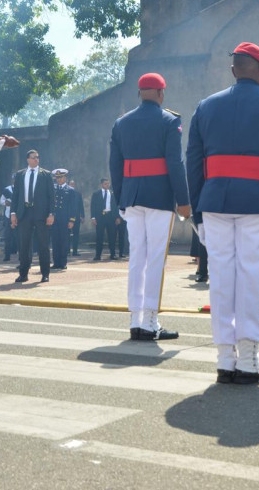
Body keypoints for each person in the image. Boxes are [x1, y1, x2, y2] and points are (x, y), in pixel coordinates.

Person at [186, 42, 259, 384]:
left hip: (215, 203)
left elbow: (192, 163)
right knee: (250, 278)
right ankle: (248, 361)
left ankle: (223, 359)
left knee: (220, 279)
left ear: (234, 70)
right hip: (257, 203)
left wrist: (198, 214)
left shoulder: (205, 106)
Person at [109, 72, 191, 341]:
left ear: (139, 92)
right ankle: (150, 321)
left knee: (137, 258)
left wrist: (121, 198)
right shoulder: (169, 121)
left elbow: (115, 166)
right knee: (155, 258)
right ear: (160, 93)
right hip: (159, 197)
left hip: (131, 197)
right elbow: (175, 163)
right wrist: (184, 200)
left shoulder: (121, 123)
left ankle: (135, 320)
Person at [12, 150, 54, 283]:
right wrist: (13, 213)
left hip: (41, 214)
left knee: (43, 245)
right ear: (27, 159)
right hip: (24, 213)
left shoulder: (46, 174)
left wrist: (51, 214)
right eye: (34, 157)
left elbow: (51, 196)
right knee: (24, 245)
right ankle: (23, 274)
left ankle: (45, 273)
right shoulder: (20, 174)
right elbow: (16, 196)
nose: (37, 159)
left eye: (38, 157)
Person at [50, 168, 75, 270]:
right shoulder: (53, 189)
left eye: (61, 177)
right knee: (55, 241)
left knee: (64, 241)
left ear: (65, 178)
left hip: (65, 219)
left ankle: (63, 262)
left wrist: (72, 220)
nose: (59, 179)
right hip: (54, 219)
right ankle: (56, 262)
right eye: (57, 177)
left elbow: (73, 207)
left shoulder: (70, 190)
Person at [91, 178, 118, 260]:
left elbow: (116, 206)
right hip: (100, 217)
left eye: (108, 183)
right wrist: (93, 217)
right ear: (102, 184)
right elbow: (93, 206)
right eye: (105, 183)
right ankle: (98, 255)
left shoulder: (113, 194)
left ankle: (113, 254)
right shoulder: (96, 194)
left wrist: (117, 217)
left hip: (110, 217)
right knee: (99, 236)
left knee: (112, 236)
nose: (107, 185)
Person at [0, 178, 17, 261]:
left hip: (20, 215)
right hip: (8, 215)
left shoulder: (23, 188)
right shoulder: (7, 189)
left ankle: (22, 257)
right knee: (8, 236)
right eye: (14, 179)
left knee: (20, 237)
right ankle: (7, 256)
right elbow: (1, 201)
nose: (15, 181)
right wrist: (5, 203)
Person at [68, 179, 85, 255]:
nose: (72, 185)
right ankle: (67, 251)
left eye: (73, 184)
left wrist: (82, 216)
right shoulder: (66, 193)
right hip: (67, 217)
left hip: (77, 217)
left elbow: (81, 206)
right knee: (67, 235)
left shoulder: (78, 194)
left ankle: (75, 251)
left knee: (76, 234)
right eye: (71, 184)